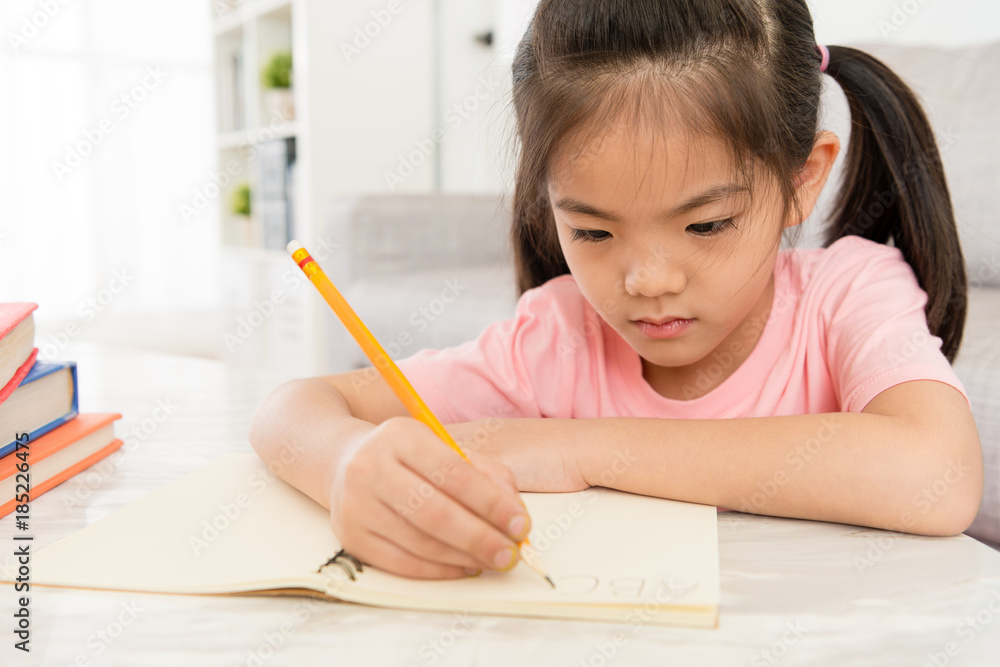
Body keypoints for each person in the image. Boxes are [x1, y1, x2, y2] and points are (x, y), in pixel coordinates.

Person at [250, 0, 983, 580]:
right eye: (594, 233)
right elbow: (292, 409)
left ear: (804, 179)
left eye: (707, 224)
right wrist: (347, 464)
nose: (648, 281)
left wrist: (580, 449)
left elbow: (940, 473)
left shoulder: (848, 291)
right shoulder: (556, 335)